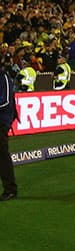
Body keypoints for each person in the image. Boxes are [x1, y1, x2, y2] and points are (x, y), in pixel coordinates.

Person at [0, 58, 18, 202]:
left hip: (2, 121)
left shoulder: (4, 77)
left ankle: (10, 189)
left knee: (2, 155)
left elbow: (5, 101)